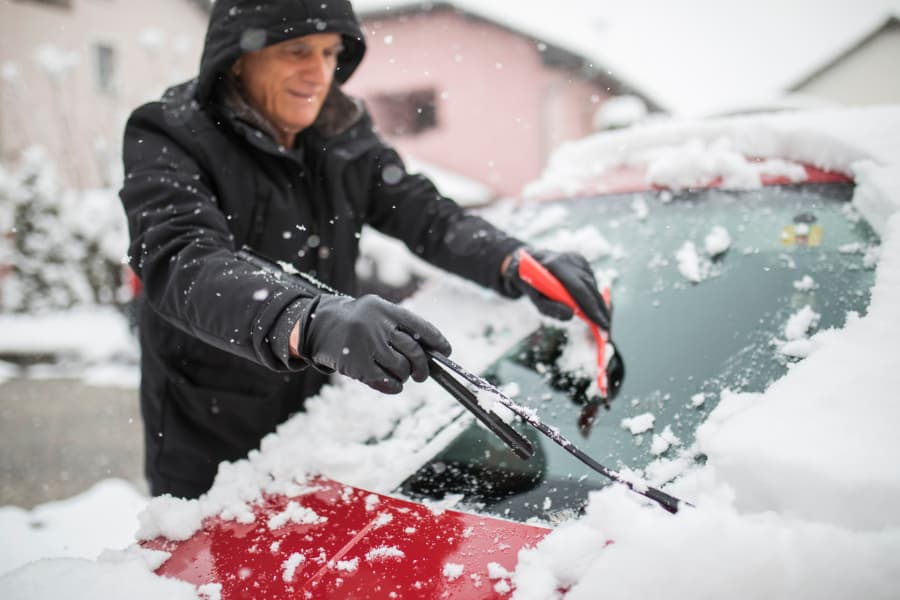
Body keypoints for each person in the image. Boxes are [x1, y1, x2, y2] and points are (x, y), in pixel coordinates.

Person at [120, 0, 610, 499]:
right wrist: (309, 321)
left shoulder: (342, 132)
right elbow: (181, 258)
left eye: (331, 52)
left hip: (322, 426)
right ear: (238, 56)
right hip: (211, 435)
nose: (319, 73)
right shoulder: (169, 133)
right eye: (297, 51)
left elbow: (425, 213)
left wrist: (513, 260)